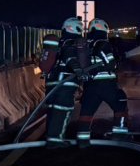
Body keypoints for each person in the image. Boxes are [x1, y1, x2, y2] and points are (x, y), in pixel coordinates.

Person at [75, 18, 130, 146]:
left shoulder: (87, 44)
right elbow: (110, 64)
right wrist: (117, 60)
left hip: (90, 86)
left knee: (86, 112)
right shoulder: (103, 44)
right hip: (106, 84)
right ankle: (119, 136)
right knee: (120, 103)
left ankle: (82, 140)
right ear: (104, 29)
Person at [43, 17, 87, 144]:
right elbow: (70, 57)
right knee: (63, 111)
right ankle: (56, 141)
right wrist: (79, 70)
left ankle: (51, 138)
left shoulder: (60, 42)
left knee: (53, 112)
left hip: (52, 83)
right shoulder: (71, 43)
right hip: (64, 84)